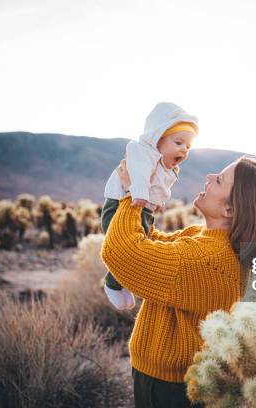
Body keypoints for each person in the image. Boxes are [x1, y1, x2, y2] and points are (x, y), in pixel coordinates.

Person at [101, 155, 256, 408]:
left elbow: (124, 253)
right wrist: (146, 205)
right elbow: (152, 244)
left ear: (230, 209)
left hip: (170, 389)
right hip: (176, 381)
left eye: (220, 180)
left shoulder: (208, 259)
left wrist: (132, 196)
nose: (209, 177)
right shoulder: (205, 240)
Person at [102, 102, 199, 310]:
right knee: (124, 246)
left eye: (188, 146)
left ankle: (123, 281)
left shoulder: (166, 166)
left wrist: (156, 203)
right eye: (179, 142)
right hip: (120, 204)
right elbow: (138, 173)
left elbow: (160, 187)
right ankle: (112, 283)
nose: (184, 149)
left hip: (140, 207)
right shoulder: (143, 153)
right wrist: (138, 193)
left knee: (141, 241)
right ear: (158, 138)